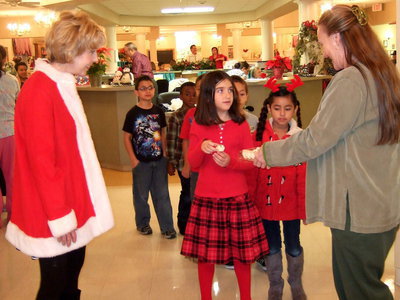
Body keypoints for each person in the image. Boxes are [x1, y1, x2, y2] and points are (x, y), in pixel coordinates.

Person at [253, 5, 400, 300]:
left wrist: (267, 153)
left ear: (337, 37)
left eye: (322, 43)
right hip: (381, 205)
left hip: (356, 211)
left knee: (357, 291)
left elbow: (315, 140)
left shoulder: (351, 79)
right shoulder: (384, 75)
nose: (324, 53)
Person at [5, 11, 114, 299]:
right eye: (90, 52)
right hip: (52, 207)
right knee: (55, 283)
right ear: (71, 48)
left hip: (68, 198)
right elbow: (42, 162)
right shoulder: (39, 90)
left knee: (71, 272)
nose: (93, 59)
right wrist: (61, 217)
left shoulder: (60, 84)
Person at [181, 71, 269, 300]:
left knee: (242, 256)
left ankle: (246, 297)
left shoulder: (240, 124)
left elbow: (249, 161)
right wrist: (201, 148)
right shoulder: (199, 124)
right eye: (220, 90)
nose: (227, 95)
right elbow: (194, 164)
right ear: (209, 95)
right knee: (206, 256)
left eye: (230, 90)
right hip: (207, 199)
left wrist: (232, 162)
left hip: (237, 197)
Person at [252, 76, 307, 299]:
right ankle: (275, 285)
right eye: (277, 108)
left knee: (293, 246)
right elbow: (251, 173)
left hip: (292, 205)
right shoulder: (258, 136)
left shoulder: (301, 138)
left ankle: (295, 283)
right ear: (269, 108)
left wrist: (305, 207)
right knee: (272, 247)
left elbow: (305, 175)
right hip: (266, 204)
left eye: (287, 108)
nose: (282, 113)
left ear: (295, 109)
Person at [122, 75, 176, 239]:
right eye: (143, 88)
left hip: (159, 159)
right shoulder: (133, 113)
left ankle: (167, 227)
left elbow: (163, 133)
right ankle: (143, 223)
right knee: (141, 195)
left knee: (162, 194)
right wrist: (133, 159)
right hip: (141, 162)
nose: (147, 91)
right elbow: (127, 137)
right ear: (136, 92)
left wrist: (165, 154)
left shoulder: (158, 111)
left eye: (150, 87)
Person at [167, 81, 196, 235]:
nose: (191, 97)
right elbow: (172, 141)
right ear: (181, 96)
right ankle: (183, 224)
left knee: (196, 194)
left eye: (194, 94)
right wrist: (171, 162)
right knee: (186, 193)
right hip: (182, 163)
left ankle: (195, 223)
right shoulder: (176, 116)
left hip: (198, 163)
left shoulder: (201, 114)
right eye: (187, 94)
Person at [0, 45, 19, 228]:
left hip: (7, 131)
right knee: (12, 177)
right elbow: (18, 105)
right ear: (5, 59)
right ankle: (13, 215)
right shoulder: (12, 80)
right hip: (9, 133)